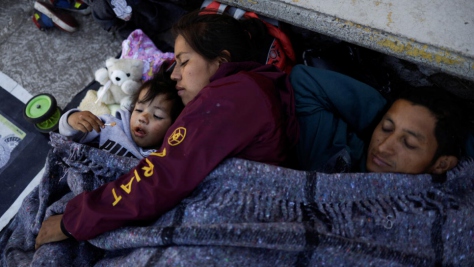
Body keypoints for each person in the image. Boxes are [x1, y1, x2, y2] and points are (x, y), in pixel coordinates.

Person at [34, 9, 298, 248]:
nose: (175, 74)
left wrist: (73, 221)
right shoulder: (251, 89)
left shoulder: (227, 98)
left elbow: (162, 176)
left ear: (221, 61)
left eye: (183, 62)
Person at [290, 64, 468, 174]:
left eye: (408, 143)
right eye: (386, 128)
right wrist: (381, 114)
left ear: (442, 164)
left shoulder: (452, 199)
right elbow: (304, 80)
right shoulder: (334, 155)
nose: (382, 147)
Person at [59, 63, 184, 159]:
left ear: (173, 126)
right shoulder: (111, 125)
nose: (143, 117)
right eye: (139, 109)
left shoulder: (160, 159)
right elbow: (69, 138)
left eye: (157, 116)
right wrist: (72, 120)